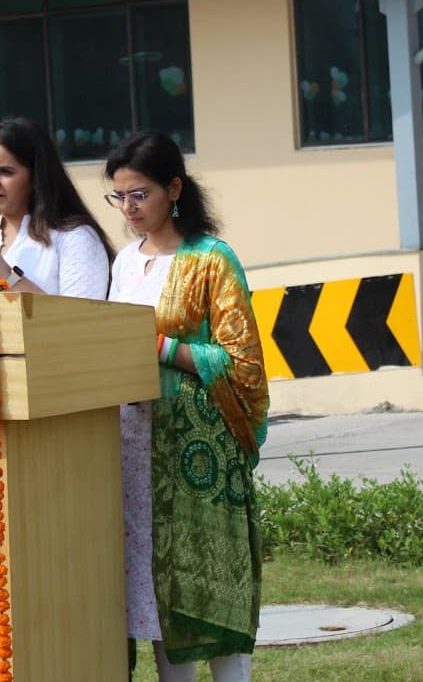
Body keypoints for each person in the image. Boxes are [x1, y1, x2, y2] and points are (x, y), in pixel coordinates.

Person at [105, 132, 269, 682]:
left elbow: (242, 361)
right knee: (154, 595)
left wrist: (163, 349)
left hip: (199, 455)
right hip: (132, 450)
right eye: (119, 197)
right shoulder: (125, 262)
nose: (128, 209)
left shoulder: (211, 260)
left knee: (210, 588)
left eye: (139, 195)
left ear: (173, 189)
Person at [0, 116, 113, 299]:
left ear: (37, 176)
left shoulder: (75, 238)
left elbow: (79, 320)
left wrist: (7, 275)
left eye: (5, 172)